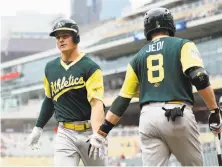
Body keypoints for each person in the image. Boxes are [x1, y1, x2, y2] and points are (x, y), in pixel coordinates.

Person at [87, 8, 222, 166]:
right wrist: (214, 111)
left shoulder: (137, 58)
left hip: (148, 119)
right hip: (177, 113)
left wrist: (101, 133)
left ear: (147, 30)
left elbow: (122, 100)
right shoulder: (183, 45)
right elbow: (199, 77)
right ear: (170, 25)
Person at [27, 18, 107, 166]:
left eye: (65, 36)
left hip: (90, 131)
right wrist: (38, 128)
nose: (61, 40)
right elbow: (49, 100)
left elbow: (97, 104)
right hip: (65, 133)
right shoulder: (50, 68)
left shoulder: (90, 67)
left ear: (76, 37)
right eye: (58, 38)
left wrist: (98, 133)